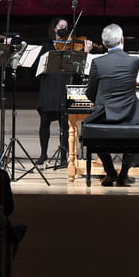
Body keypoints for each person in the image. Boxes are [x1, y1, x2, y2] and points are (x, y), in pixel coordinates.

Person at [84, 23, 139, 187]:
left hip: (106, 116)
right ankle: (123, 174)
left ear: (104, 44)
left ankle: (110, 171)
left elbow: (89, 92)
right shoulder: (134, 61)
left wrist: (99, 101)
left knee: (90, 126)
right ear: (122, 40)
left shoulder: (98, 63)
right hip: (128, 116)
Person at [34, 17, 92, 166]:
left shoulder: (72, 47)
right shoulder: (46, 46)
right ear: (54, 28)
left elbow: (81, 70)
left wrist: (85, 52)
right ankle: (43, 154)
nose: (63, 29)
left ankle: (64, 156)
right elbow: (38, 67)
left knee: (65, 126)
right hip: (49, 88)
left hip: (64, 87)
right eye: (61, 26)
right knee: (44, 123)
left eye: (66, 27)